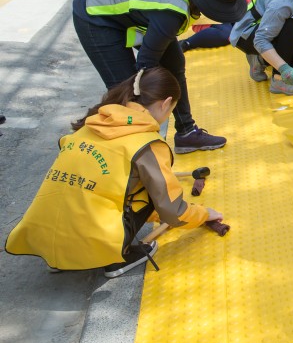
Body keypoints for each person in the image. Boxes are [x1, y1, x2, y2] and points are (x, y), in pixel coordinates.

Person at [5, 67, 224, 277]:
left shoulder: (89, 126)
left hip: (42, 236)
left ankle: (63, 257)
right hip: (93, 242)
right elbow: (172, 212)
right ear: (166, 103)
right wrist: (205, 213)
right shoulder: (147, 145)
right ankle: (117, 257)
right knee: (152, 190)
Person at [72, 0, 245, 153]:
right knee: (128, 87)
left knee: (175, 65)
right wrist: (151, 109)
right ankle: (129, 151)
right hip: (94, 10)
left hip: (131, 5)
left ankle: (186, 132)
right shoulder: (171, 11)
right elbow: (145, 66)